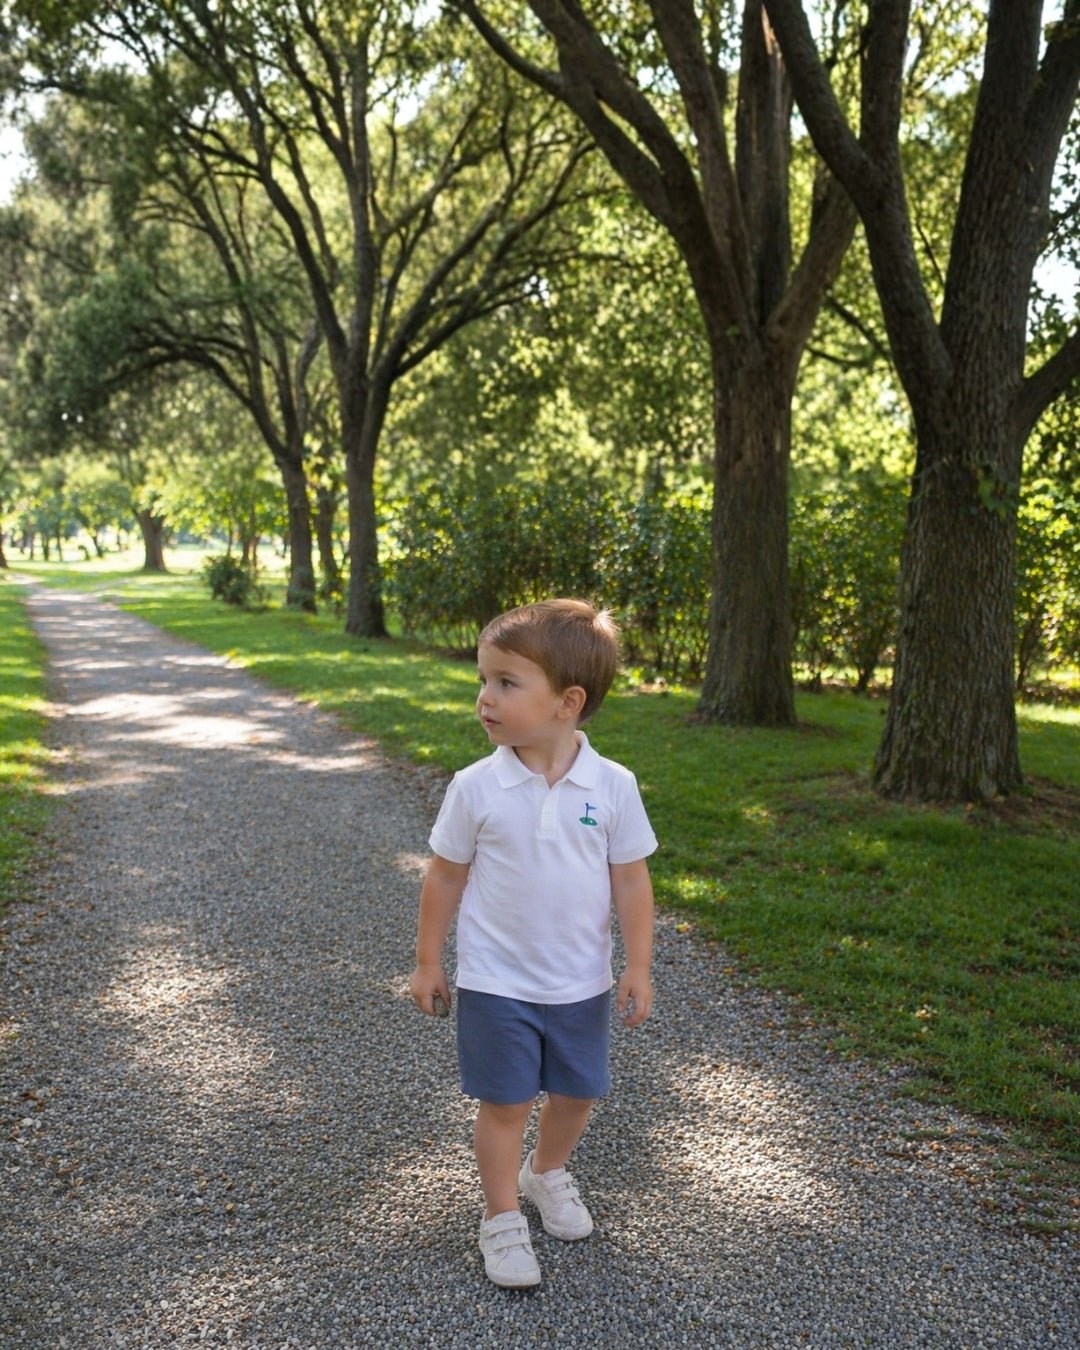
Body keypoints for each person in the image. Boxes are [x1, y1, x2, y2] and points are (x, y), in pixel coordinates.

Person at [409, 598, 657, 1288]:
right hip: (497, 982)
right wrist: (428, 961)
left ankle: (545, 1172)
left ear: (567, 702)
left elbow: (632, 881)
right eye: (483, 681)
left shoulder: (613, 787)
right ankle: (501, 1217)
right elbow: (445, 875)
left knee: (578, 1095)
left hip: (581, 982)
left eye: (506, 683)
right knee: (506, 1103)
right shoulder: (476, 787)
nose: (485, 699)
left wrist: (638, 966)